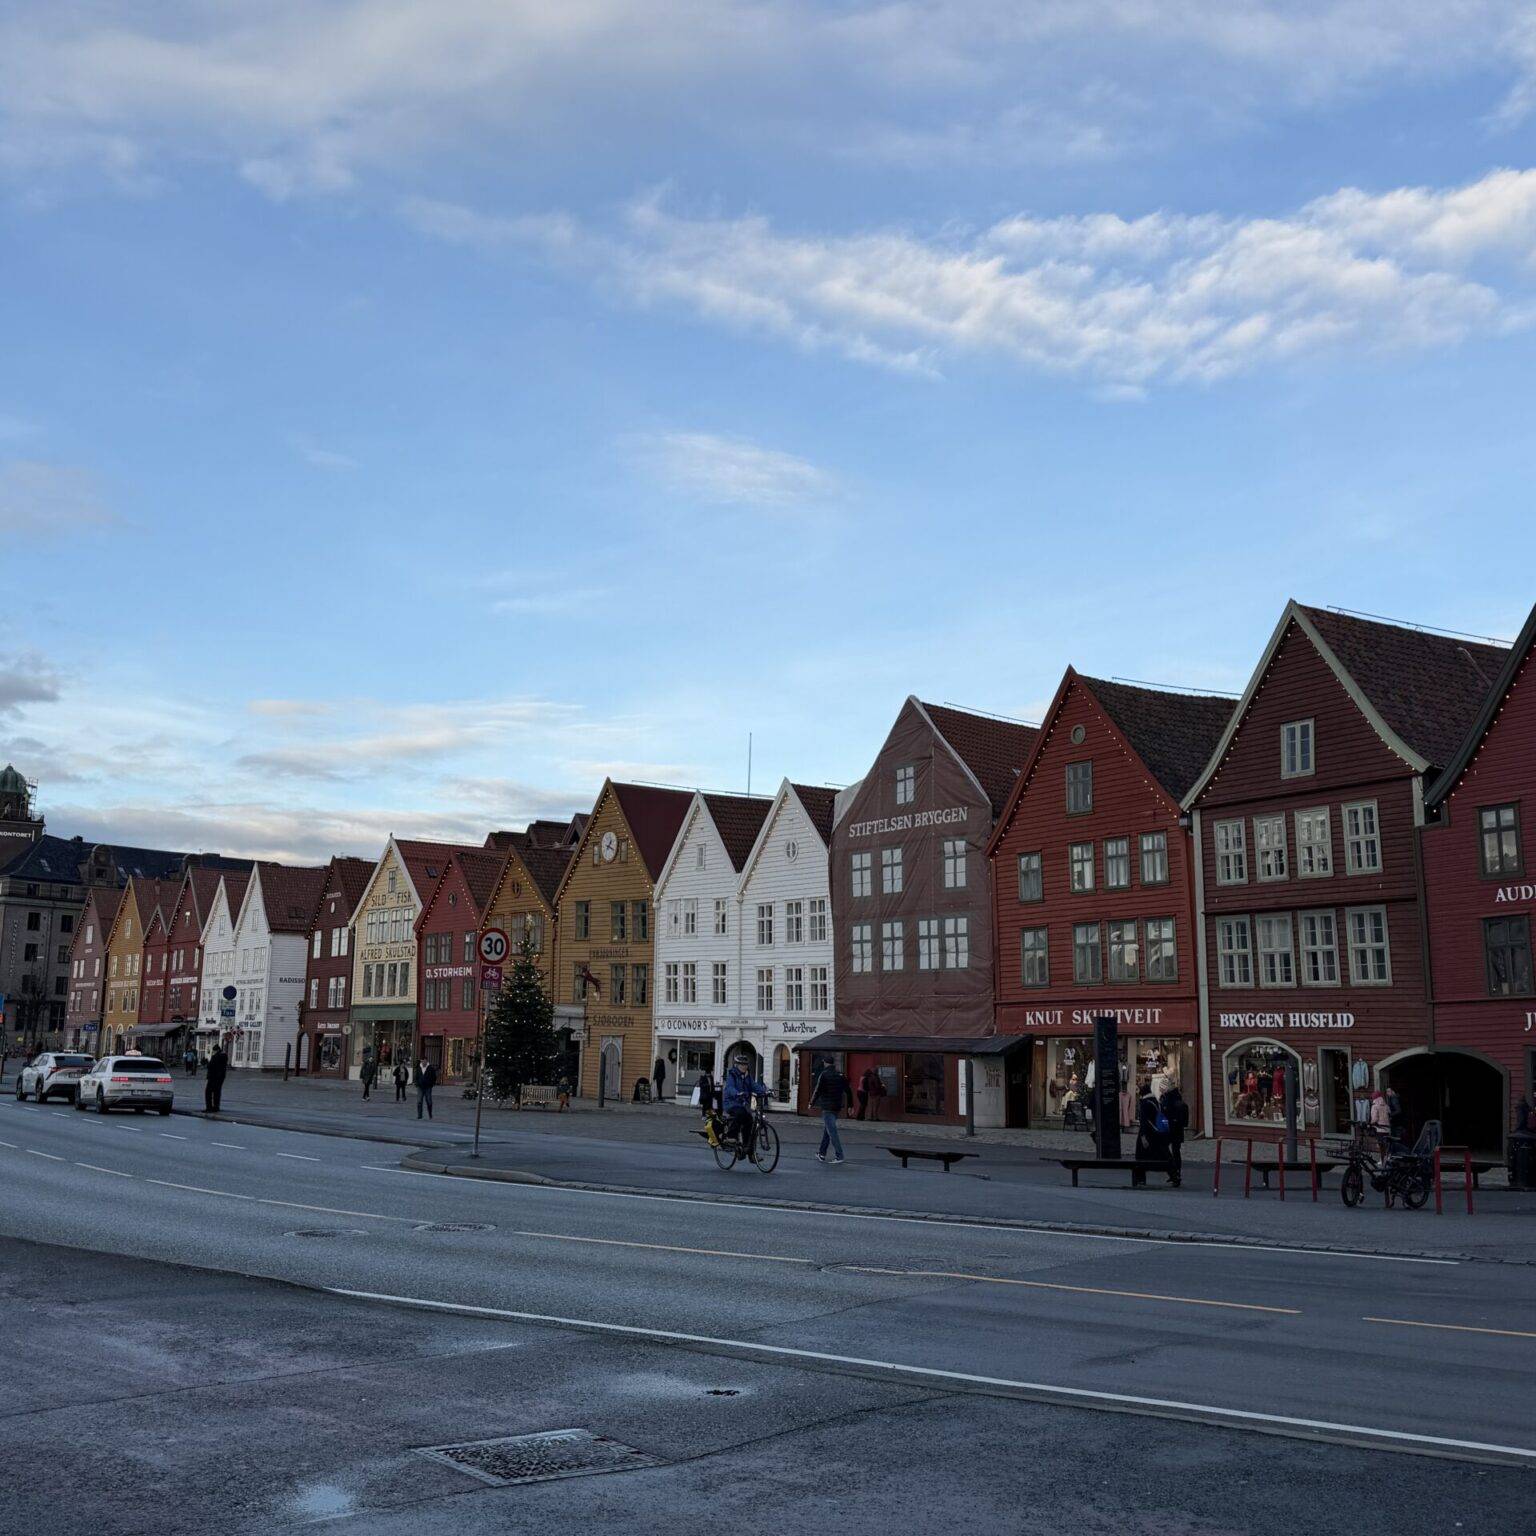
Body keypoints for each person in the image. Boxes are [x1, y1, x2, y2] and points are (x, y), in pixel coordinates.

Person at [719, 1055, 768, 1151]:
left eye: (745, 1064)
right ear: (736, 1065)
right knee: (740, 1113)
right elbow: (729, 1088)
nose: (744, 1066)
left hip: (742, 1104)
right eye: (741, 1064)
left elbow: (754, 1086)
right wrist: (737, 1093)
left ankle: (747, 1146)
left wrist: (765, 1091)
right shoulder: (732, 1075)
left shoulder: (747, 1076)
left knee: (749, 1119)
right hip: (731, 1103)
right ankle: (731, 1136)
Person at [810, 1060, 853, 1164]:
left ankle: (839, 1155)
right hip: (836, 1106)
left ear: (825, 1063)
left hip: (827, 1107)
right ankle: (821, 1153)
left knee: (832, 1132)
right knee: (828, 1130)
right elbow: (848, 1090)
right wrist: (851, 1106)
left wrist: (811, 1102)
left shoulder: (824, 1075)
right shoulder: (840, 1075)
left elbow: (818, 1090)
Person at [1132, 1078, 1169, 1187]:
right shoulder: (1155, 1101)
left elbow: (1144, 1121)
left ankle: (1140, 1178)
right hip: (1157, 1132)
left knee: (1140, 1157)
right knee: (1162, 1153)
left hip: (1147, 1133)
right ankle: (1173, 1173)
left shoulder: (1145, 1103)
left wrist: (1143, 1137)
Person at [1160, 1084, 1188, 1188]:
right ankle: (1177, 1171)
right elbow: (1185, 1123)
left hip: (1168, 1131)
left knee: (1165, 1150)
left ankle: (1172, 1172)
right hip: (1178, 1132)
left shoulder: (1167, 1102)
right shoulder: (1183, 1105)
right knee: (1176, 1152)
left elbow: (1162, 1116)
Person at [204, 1043, 228, 1114]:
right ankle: (216, 1107)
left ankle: (209, 1107)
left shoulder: (215, 1057)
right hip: (221, 1077)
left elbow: (210, 1066)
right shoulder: (224, 1056)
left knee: (208, 1092)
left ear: (216, 1050)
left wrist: (206, 1063)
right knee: (217, 1092)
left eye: (213, 1051)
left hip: (213, 1077)